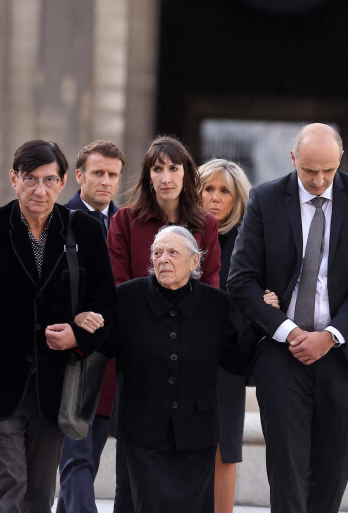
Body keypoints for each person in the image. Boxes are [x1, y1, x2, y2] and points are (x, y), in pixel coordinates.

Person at [0, 140, 116, 513]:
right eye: (30, 179)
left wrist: (80, 334)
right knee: (6, 489)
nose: (39, 189)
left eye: (49, 180)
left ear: (62, 182)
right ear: (14, 179)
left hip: (54, 387)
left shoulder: (84, 231)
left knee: (39, 496)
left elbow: (106, 304)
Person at [227, 123, 348, 513]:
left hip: (345, 353)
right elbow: (241, 279)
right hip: (282, 352)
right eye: (309, 170)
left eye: (328, 171)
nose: (318, 180)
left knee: (332, 471)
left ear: (340, 162)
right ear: (293, 159)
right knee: (286, 469)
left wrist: (329, 336)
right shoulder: (265, 199)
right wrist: (287, 330)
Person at [107, 135, 221, 513]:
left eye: (174, 168)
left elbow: (211, 288)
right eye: (158, 169)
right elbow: (118, 288)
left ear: (187, 174)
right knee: (138, 494)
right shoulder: (125, 220)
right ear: (148, 175)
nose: (166, 176)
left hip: (191, 369)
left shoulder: (206, 223)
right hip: (141, 362)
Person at [101, 226, 249, 513]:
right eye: (157, 253)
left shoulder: (217, 304)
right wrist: (88, 324)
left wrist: (257, 323)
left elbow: (236, 361)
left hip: (197, 431)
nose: (163, 259)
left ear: (194, 261)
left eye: (172, 252)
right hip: (141, 429)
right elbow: (105, 346)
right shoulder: (126, 297)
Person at [58, 140, 125, 513]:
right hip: (72, 358)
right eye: (98, 173)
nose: (105, 181)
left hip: (112, 361)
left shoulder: (125, 223)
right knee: (77, 456)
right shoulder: (58, 219)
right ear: (80, 176)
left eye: (113, 174)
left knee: (87, 457)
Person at [199, 159, 251, 513]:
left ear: (237, 200)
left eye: (225, 191)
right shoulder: (178, 234)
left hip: (226, 361)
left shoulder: (248, 243)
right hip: (179, 355)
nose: (216, 198)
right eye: (209, 189)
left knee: (223, 448)